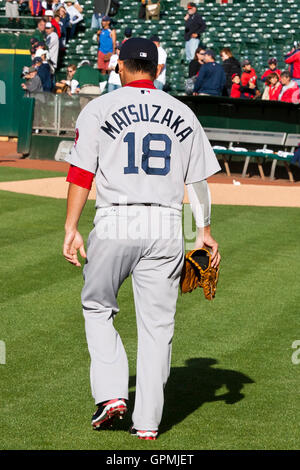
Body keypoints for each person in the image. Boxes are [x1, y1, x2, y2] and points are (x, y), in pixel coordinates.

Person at [62, 37, 221, 441]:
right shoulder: (182, 112)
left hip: (116, 220)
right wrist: (203, 233)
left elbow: (82, 174)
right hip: (167, 226)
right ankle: (147, 425)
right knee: (157, 329)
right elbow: (196, 181)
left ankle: (113, 395)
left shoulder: (98, 108)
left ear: (120, 66)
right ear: (158, 70)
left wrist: (70, 227)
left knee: (98, 307)